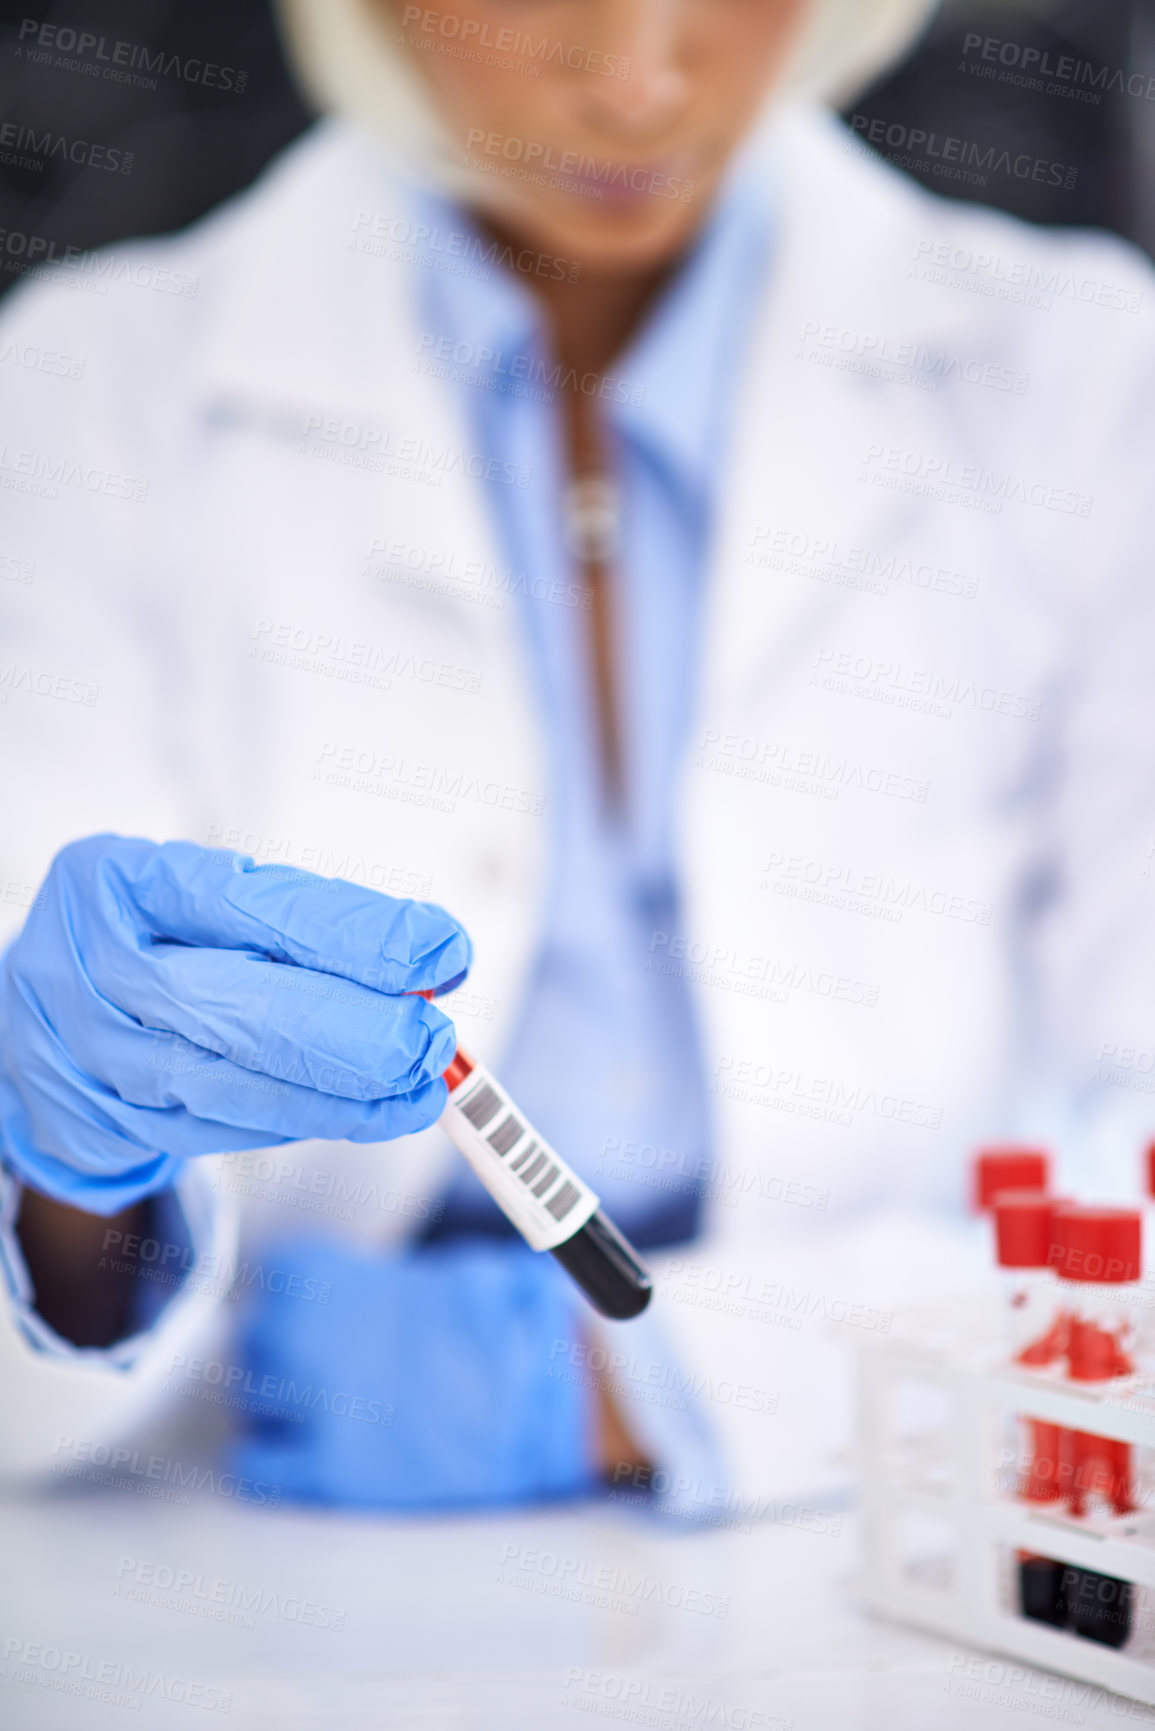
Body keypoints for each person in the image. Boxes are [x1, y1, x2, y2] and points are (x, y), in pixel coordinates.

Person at [2, 0, 1154, 1514]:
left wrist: (660, 1379)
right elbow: (57, 1315)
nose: (636, 78)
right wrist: (74, 1186)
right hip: (263, 1558)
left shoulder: (1085, 383)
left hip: (897, 1544)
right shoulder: (90, 393)